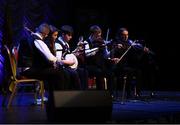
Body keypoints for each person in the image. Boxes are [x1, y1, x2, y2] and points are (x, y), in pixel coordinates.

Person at [21, 23, 69, 91]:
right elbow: (51, 58)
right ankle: (59, 98)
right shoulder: (37, 41)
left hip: (23, 69)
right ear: (45, 35)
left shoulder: (26, 39)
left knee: (53, 71)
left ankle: (52, 99)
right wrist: (57, 61)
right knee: (59, 72)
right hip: (29, 71)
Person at [111, 27, 151, 98]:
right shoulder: (115, 42)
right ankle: (128, 93)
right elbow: (111, 49)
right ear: (120, 35)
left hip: (127, 65)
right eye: (124, 35)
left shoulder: (129, 43)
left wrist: (143, 49)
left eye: (127, 34)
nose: (126, 36)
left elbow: (135, 51)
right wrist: (116, 47)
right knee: (130, 71)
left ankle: (138, 93)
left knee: (138, 71)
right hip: (118, 65)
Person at [84, 25, 116, 92]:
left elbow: (106, 56)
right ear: (92, 34)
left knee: (111, 74)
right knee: (99, 73)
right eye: (97, 36)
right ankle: (101, 93)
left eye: (100, 35)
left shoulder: (102, 42)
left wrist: (112, 50)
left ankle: (110, 94)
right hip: (90, 65)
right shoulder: (86, 42)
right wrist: (96, 49)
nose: (99, 37)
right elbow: (87, 54)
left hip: (100, 65)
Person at [55, 25, 81, 90]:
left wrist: (75, 54)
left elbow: (67, 55)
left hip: (67, 66)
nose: (71, 37)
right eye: (69, 35)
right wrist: (71, 62)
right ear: (63, 34)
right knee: (74, 73)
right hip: (61, 67)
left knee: (83, 72)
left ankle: (82, 93)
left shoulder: (66, 44)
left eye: (71, 35)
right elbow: (58, 60)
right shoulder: (58, 44)